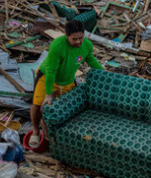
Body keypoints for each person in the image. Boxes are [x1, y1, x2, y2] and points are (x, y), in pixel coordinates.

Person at [29, 20, 103, 148]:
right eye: (74, 39)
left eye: (81, 38)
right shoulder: (57, 46)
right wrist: (48, 94)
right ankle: (36, 130)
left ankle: (59, 135)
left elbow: (92, 61)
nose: (78, 42)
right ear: (66, 35)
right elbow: (51, 71)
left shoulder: (86, 45)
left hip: (68, 80)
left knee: (68, 109)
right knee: (37, 105)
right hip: (47, 78)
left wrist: (106, 74)